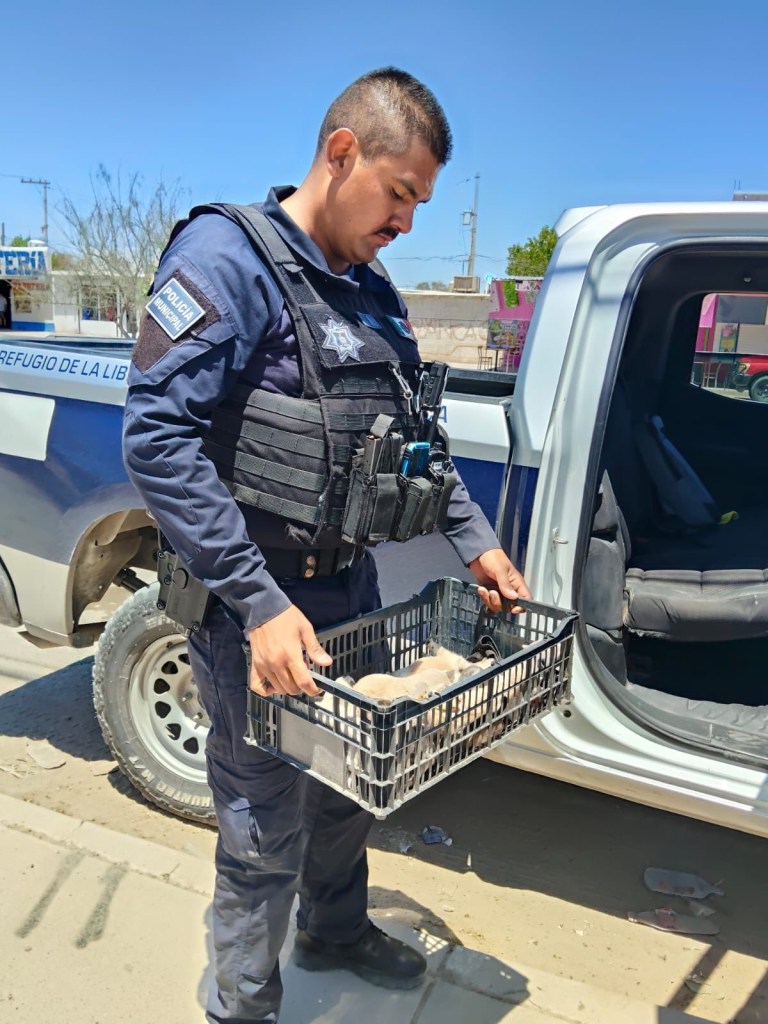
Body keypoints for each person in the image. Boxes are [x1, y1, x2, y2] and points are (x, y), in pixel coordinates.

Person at [123, 67, 530, 1024]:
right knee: (262, 828)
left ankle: (334, 930)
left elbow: (414, 441)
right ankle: (243, 1004)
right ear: (342, 153)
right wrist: (259, 604)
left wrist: (475, 542)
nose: (407, 222)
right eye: (400, 193)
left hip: (351, 592)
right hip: (257, 611)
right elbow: (157, 438)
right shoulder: (230, 258)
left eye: (420, 203)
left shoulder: (372, 291)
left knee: (350, 790)